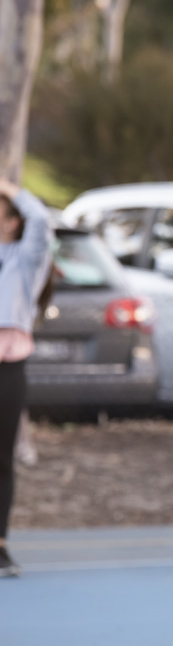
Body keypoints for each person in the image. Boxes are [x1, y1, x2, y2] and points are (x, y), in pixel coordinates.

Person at [0, 180, 53, 579]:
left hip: (8, 369)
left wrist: (6, 186)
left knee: (2, 461)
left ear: (11, 221)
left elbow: (41, 218)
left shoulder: (25, 259)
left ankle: (0, 544)